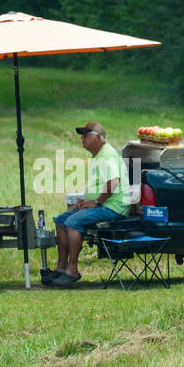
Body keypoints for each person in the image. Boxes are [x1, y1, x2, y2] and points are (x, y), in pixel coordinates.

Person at [45, 121, 130, 287]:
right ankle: (61, 268)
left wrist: (97, 201)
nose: (82, 138)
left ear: (98, 137)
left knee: (73, 222)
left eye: (86, 135)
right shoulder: (99, 156)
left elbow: (113, 183)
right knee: (60, 220)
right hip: (103, 204)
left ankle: (72, 270)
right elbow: (100, 184)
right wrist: (85, 201)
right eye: (81, 135)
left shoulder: (107, 155)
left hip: (114, 207)